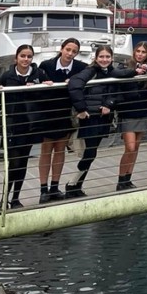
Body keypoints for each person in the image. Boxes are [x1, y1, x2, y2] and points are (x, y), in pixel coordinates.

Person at [66, 45, 132, 198]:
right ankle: (71, 184)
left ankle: (76, 186)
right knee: (90, 152)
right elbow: (74, 85)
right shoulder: (91, 71)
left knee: (92, 152)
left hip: (103, 118)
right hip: (91, 117)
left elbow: (118, 93)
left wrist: (110, 104)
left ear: (112, 58)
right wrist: (81, 109)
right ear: (96, 58)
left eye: (107, 57)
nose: (104, 59)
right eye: (101, 56)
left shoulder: (112, 72)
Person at [0, 44, 50, 209]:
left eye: (29, 56)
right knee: (13, 163)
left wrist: (38, 89)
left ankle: (15, 198)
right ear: (16, 58)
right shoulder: (7, 76)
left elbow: (46, 99)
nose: (26, 59)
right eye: (22, 56)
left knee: (23, 162)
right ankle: (4, 199)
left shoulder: (39, 74)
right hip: (12, 126)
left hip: (30, 125)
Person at [36, 37, 87, 203]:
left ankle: (54, 187)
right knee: (46, 150)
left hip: (65, 113)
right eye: (68, 50)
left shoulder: (80, 68)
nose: (70, 53)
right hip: (47, 112)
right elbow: (37, 85)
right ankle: (43, 189)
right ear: (61, 49)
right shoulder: (46, 65)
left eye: (74, 51)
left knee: (60, 150)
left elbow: (92, 75)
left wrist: (75, 81)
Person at [116, 41, 147, 190]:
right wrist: (134, 72)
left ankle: (128, 178)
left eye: (143, 52)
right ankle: (120, 180)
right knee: (129, 147)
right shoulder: (125, 66)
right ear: (134, 52)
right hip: (128, 111)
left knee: (136, 147)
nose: (140, 54)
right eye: (138, 51)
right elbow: (116, 74)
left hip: (143, 110)